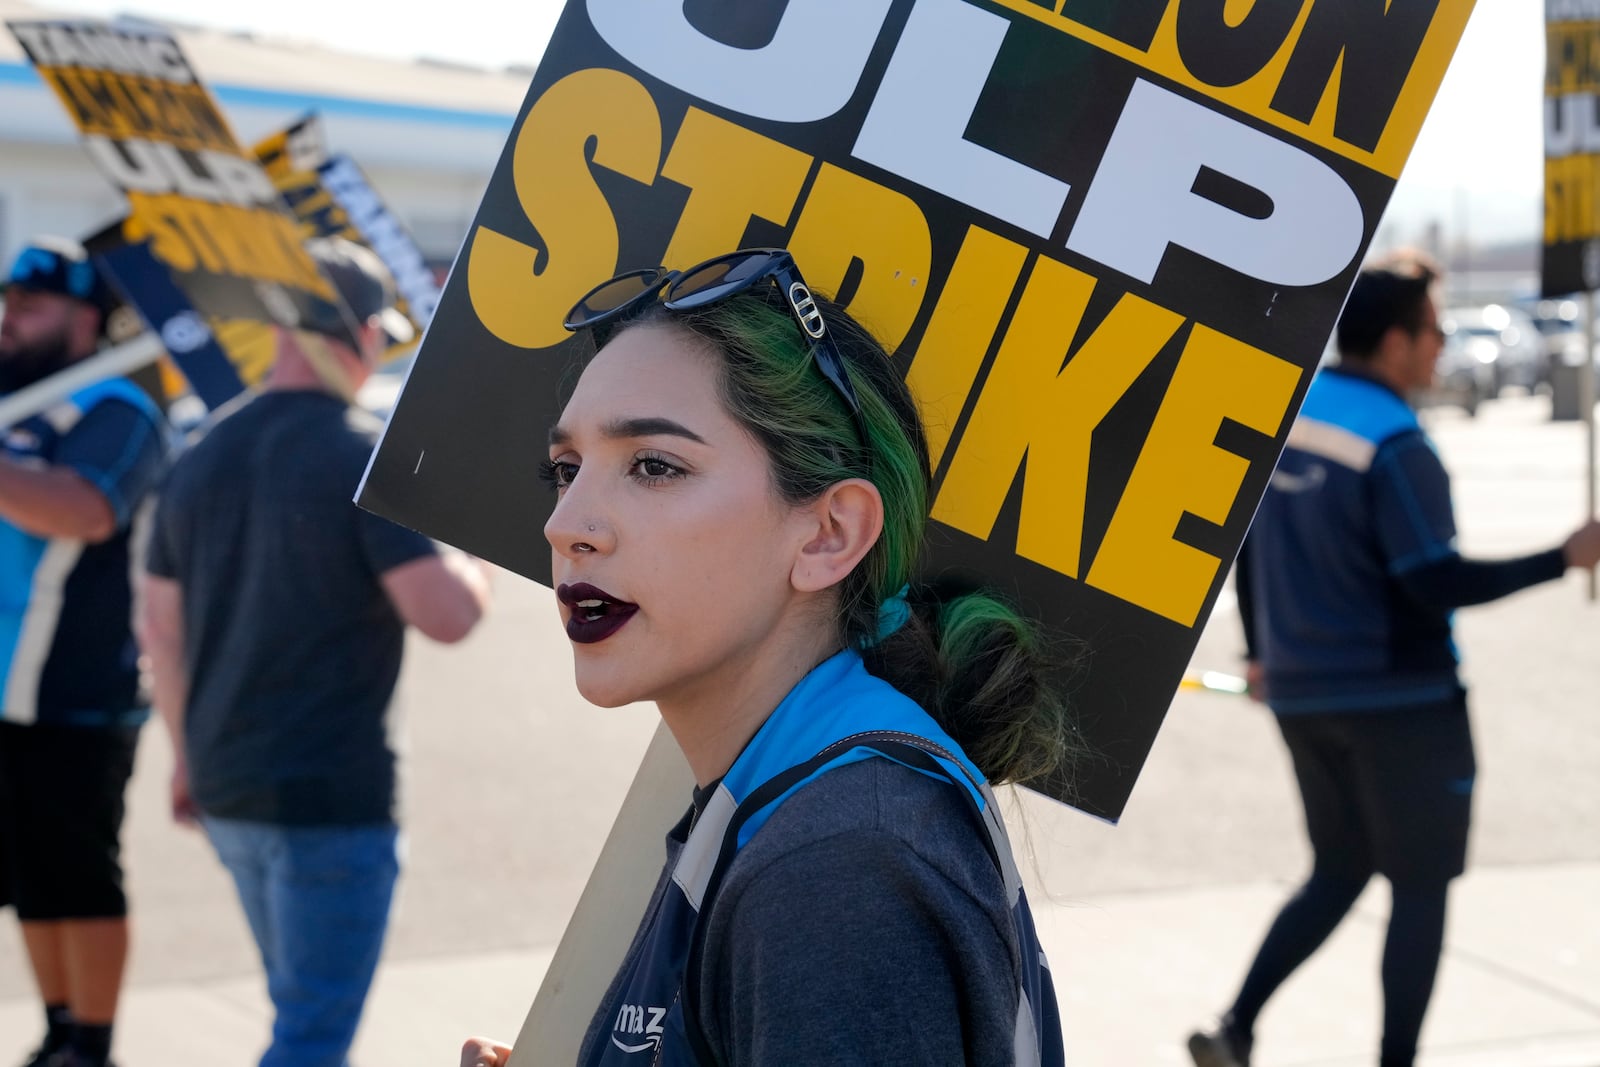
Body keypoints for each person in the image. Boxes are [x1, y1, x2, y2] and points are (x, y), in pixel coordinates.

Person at [462, 248, 1072, 1067]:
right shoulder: (799, 802)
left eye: (653, 465)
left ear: (829, 534)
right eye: (566, 469)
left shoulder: (838, 872)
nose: (566, 522)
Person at [1187, 257, 1600, 1067]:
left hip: (1301, 696)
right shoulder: (1398, 443)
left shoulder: (1291, 417)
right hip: (1402, 703)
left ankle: (1235, 1028)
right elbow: (1432, 582)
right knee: (1418, 886)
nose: (1443, 346)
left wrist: (1265, 653)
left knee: (1338, 869)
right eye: (1436, 330)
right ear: (1398, 341)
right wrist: (1566, 556)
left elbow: (1244, 549)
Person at [136, 236, 492, 1067]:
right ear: (359, 333)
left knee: (298, 1011)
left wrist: (186, 762)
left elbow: (159, 629)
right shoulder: (361, 453)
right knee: (309, 1036)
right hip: (325, 797)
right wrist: (469, 555)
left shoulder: (202, 451)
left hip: (225, 783)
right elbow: (444, 614)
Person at [0, 237, 169, 1067]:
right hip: (6, 690)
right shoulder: (13, 397)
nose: (9, 319)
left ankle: (94, 1047)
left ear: (85, 317)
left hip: (78, 686)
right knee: (29, 877)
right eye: (7, 302)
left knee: (78, 870)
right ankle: (60, 1029)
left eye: (30, 306)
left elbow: (83, 509)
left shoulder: (117, 406)